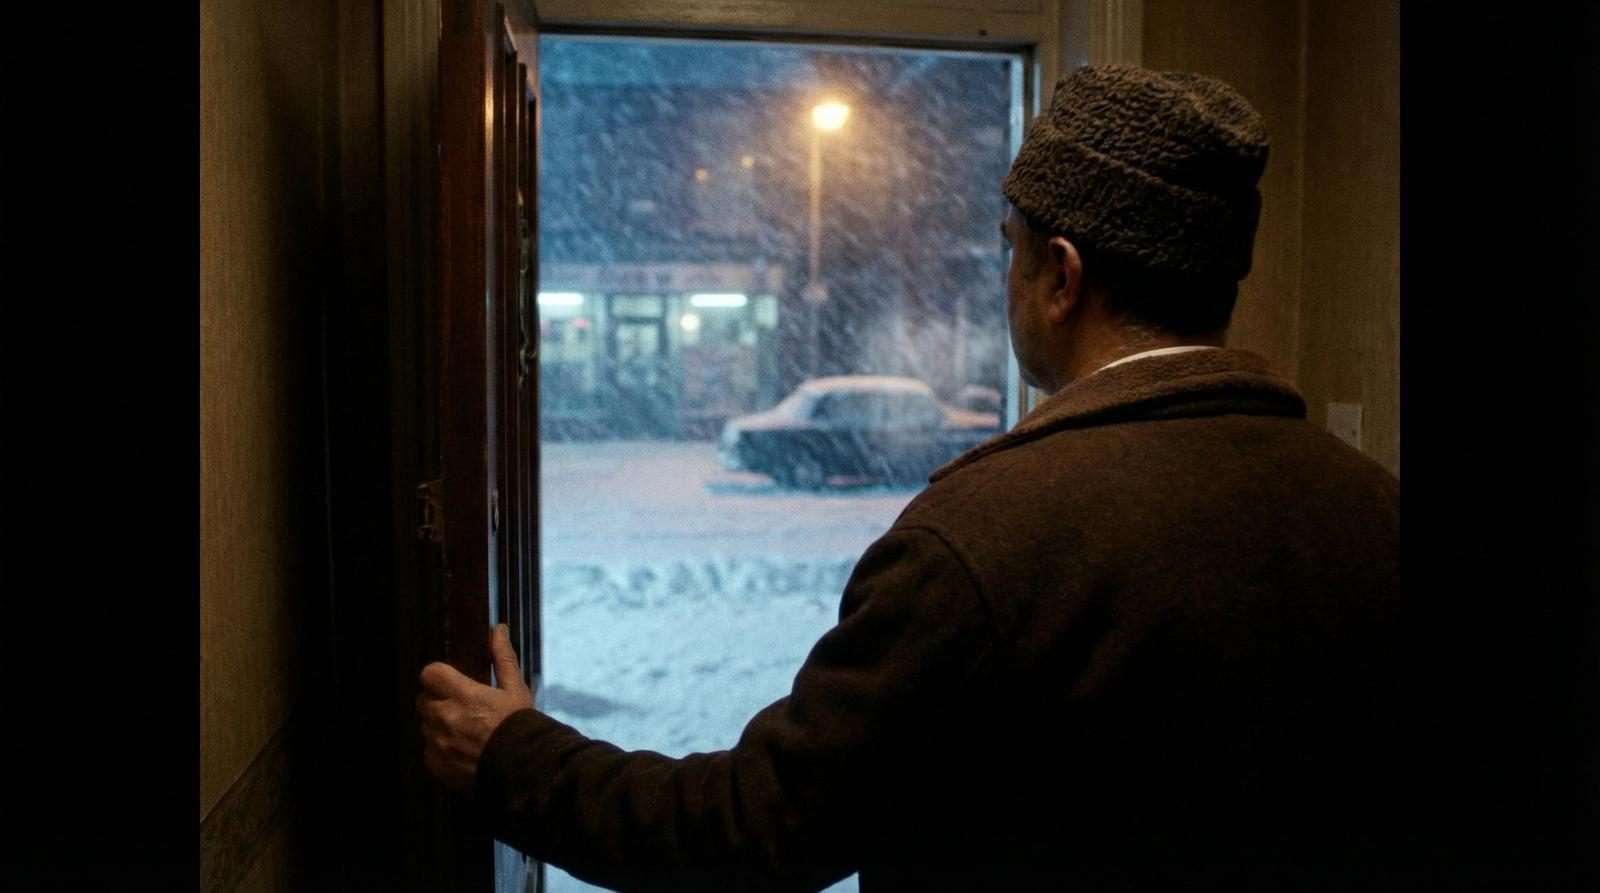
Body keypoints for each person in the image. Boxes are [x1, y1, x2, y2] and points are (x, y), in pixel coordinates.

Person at [417, 64, 1404, 891]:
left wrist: (513, 755)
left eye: (1010, 248)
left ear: (1061, 276)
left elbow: (751, 826)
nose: (1004, 276)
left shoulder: (983, 539)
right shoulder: (1372, 507)